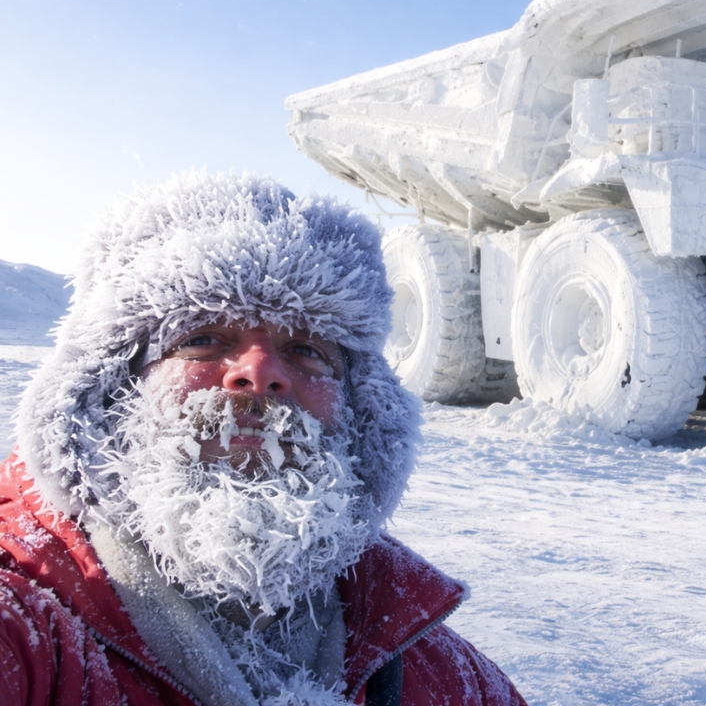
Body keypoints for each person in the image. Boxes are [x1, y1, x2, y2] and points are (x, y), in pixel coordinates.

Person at [0, 172, 526, 706]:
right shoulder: (23, 614)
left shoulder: (442, 672)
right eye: (202, 340)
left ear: (361, 411)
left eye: (306, 350)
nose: (260, 372)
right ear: (113, 390)